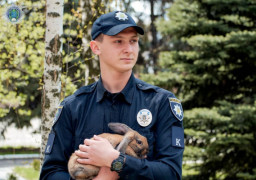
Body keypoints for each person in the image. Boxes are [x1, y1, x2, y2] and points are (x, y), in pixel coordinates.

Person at [40, 11, 184, 180]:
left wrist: (115, 161)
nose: (129, 49)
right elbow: (50, 173)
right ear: (96, 47)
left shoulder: (161, 103)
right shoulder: (73, 107)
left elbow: (171, 173)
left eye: (133, 41)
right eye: (118, 41)